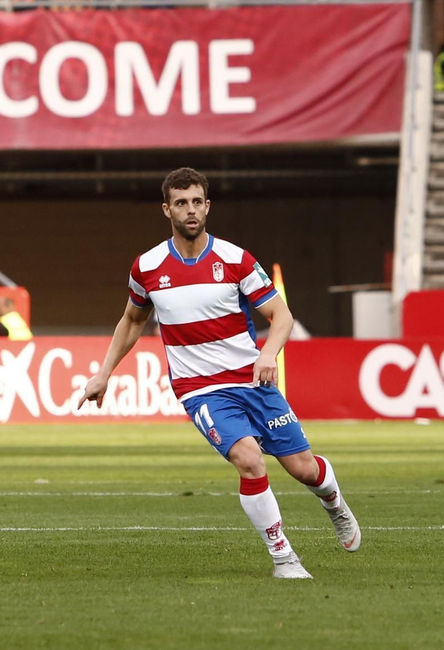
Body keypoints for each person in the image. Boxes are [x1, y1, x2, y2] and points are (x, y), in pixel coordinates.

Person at [81, 167, 362, 579]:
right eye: (181, 203)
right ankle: (283, 557)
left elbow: (280, 315)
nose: (190, 210)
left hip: (252, 379)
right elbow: (131, 320)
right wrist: (104, 372)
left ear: (208, 206)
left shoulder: (235, 259)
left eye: (197, 201)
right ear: (167, 210)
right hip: (201, 390)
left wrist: (268, 354)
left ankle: (334, 502)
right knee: (249, 461)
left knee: (304, 469)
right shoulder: (147, 267)